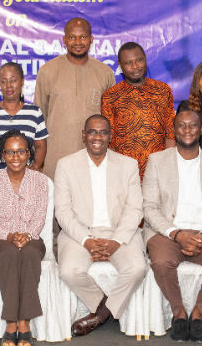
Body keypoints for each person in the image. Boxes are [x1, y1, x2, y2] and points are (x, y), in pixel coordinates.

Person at [142, 108, 202, 342]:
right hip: (167, 231)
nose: (187, 130)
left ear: (201, 129)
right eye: (181, 125)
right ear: (174, 130)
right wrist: (176, 233)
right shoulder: (157, 160)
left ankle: (198, 314)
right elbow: (149, 206)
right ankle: (178, 313)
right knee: (161, 261)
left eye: (192, 125)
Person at [54, 114, 146, 337]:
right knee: (69, 271)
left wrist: (116, 241)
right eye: (92, 132)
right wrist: (87, 241)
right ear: (84, 135)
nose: (97, 137)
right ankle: (105, 307)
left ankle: (99, 316)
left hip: (119, 232)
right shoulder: (66, 165)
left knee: (137, 268)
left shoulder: (128, 165)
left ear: (110, 137)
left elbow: (135, 209)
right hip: (79, 233)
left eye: (103, 132)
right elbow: (63, 211)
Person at [0, 129, 51, 346]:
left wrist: (26, 236)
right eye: (10, 152)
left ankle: (25, 321)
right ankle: (12, 322)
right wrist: (9, 235)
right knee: (10, 253)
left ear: (29, 153)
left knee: (30, 253)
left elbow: (40, 217)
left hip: (32, 239)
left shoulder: (40, 181)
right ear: (2, 155)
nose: (15, 157)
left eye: (21, 151)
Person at [34, 18, 115, 179]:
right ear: (64, 40)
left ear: (91, 39)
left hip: (94, 158)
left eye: (83, 37)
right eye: (72, 37)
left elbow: (111, 120)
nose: (78, 42)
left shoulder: (105, 73)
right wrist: (39, 160)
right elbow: (39, 118)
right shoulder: (48, 71)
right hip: (55, 157)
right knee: (58, 203)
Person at [101, 42, 175, 179]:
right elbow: (109, 141)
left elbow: (170, 134)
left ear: (145, 59)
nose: (135, 67)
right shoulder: (110, 96)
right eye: (128, 63)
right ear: (120, 66)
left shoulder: (163, 91)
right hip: (124, 174)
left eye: (139, 60)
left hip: (158, 172)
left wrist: (168, 169)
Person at [0, 62, 48, 174]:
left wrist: (35, 166)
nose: (8, 85)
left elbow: (41, 145)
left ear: (22, 82)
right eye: (4, 81)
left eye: (13, 80)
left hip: (24, 180)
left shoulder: (34, 112)